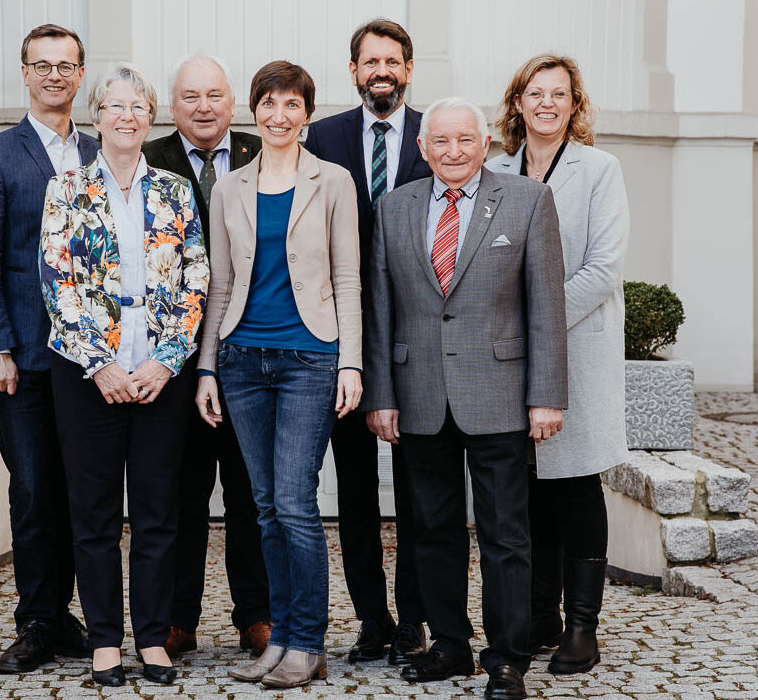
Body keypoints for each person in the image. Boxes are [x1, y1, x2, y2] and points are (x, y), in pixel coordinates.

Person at [364, 97, 568, 700]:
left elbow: (546, 307)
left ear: (485, 144)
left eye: (464, 140)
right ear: (422, 149)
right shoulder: (393, 209)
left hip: (501, 395)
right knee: (431, 531)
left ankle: (507, 656)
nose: (453, 152)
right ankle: (450, 643)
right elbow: (380, 310)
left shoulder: (528, 200)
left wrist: (546, 396)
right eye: (441, 142)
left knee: (507, 533)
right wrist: (381, 393)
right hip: (418, 394)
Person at [38, 62, 208, 688]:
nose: (127, 116)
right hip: (90, 376)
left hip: (160, 373)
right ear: (96, 117)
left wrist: (166, 362)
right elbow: (57, 283)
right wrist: (101, 363)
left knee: (160, 512)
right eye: (115, 106)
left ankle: (153, 639)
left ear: (151, 117)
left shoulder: (175, 190)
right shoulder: (67, 188)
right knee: (96, 515)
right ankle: (105, 639)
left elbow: (196, 280)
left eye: (139, 107)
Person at [195, 60, 362, 689]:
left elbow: (347, 276)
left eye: (291, 104)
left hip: (310, 358)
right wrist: (207, 366)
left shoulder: (335, 182)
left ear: (307, 114)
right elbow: (220, 284)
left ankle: (307, 643)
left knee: (294, 504)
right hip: (242, 359)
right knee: (264, 507)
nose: (279, 115)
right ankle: (282, 638)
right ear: (254, 112)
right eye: (268, 103)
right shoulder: (228, 188)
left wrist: (351, 361)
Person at [487, 54, 629, 676]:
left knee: (574, 487)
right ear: (518, 102)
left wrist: (532, 323)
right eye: (535, 93)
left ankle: (581, 628)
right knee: (525, 489)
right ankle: (539, 614)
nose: (547, 104)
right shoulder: (494, 171)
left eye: (560, 94)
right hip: (509, 358)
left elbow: (601, 270)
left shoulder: (599, 170)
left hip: (577, 347)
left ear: (575, 104)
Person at [0, 23, 94, 675]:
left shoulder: (103, 152)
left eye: (66, 65)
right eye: (42, 65)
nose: (54, 75)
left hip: (94, 362)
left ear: (80, 74)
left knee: (83, 492)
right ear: (24, 72)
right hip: (25, 358)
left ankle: (71, 615)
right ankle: (38, 620)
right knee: (35, 489)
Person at [302, 18, 431, 665]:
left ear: (408, 69)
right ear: (353, 71)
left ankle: (414, 624)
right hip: (342, 342)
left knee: (416, 494)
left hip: (417, 344)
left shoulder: (438, 137)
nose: (381, 70)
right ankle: (372, 621)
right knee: (352, 493)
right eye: (370, 61)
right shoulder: (320, 139)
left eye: (392, 60)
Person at [141, 53, 272, 658]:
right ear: (173, 106)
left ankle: (258, 615)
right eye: (190, 96)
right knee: (179, 494)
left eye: (214, 95)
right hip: (172, 359)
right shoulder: (146, 158)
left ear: (232, 103)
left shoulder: (264, 153)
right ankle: (176, 619)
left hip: (250, 353)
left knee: (250, 492)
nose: (203, 107)